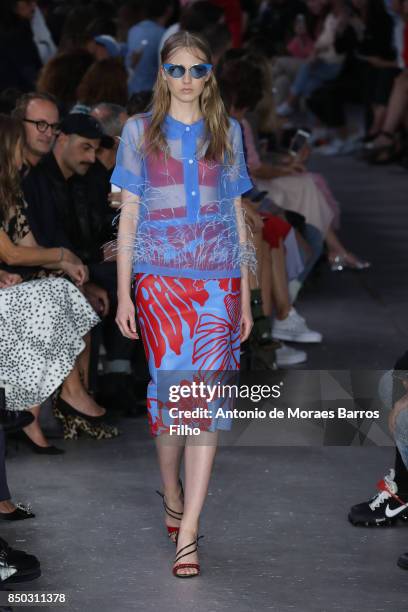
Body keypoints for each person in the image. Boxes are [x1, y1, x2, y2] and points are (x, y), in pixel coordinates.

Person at [112, 31, 254, 577]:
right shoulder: (137, 132)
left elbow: (236, 216)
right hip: (160, 284)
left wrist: (245, 295)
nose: (188, 79)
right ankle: (170, 491)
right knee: (172, 404)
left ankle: (189, 529)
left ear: (211, 73)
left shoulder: (228, 132)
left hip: (218, 281)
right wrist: (125, 291)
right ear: (162, 73)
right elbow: (129, 216)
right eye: (177, 69)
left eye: (198, 69)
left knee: (204, 404)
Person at [126, 0, 172, 94]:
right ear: (169, 10)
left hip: (132, 94)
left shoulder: (134, 30)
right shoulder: (164, 35)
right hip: (152, 96)